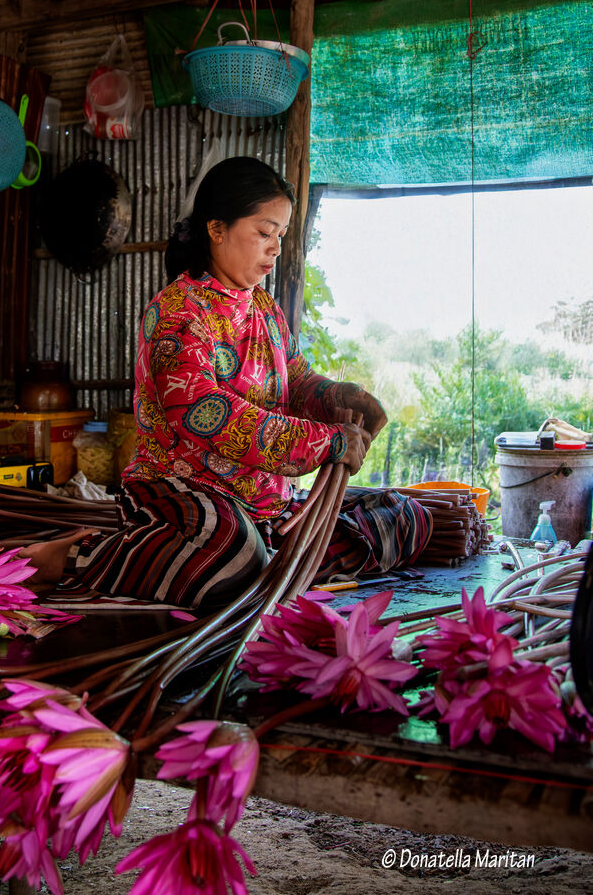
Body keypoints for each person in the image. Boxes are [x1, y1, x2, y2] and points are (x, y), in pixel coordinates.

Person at [26, 156, 430, 608]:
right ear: (216, 229)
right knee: (230, 559)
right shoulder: (178, 312)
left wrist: (341, 397)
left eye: (280, 234)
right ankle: (75, 557)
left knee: (404, 517)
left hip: (267, 506)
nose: (275, 248)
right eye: (263, 232)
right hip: (187, 494)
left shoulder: (266, 311)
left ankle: (274, 564)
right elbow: (206, 414)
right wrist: (326, 443)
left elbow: (296, 382)